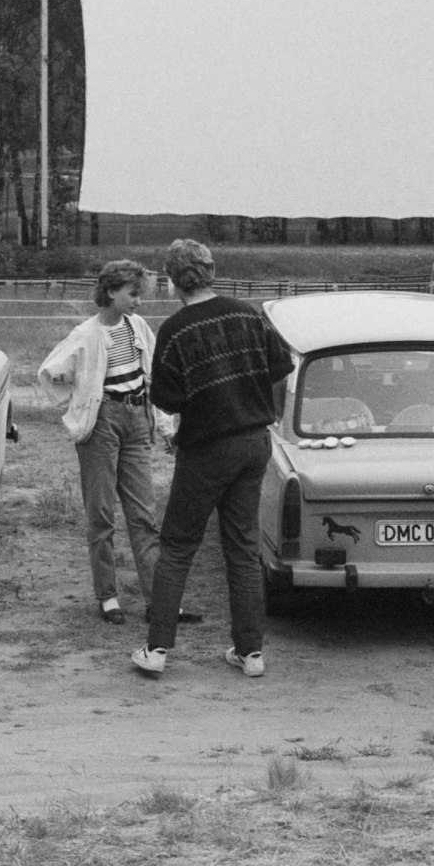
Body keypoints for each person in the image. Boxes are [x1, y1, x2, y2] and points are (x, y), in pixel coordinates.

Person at [133, 239, 293, 679]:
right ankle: (251, 653)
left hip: (205, 449)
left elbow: (165, 398)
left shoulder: (175, 330)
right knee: (242, 549)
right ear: (211, 270)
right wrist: (270, 414)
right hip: (254, 442)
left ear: (172, 279)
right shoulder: (249, 313)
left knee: (179, 545)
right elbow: (282, 370)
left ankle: (158, 649)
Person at [38, 259, 188, 626]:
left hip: (137, 420)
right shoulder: (85, 335)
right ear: (110, 292)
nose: (138, 302)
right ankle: (107, 596)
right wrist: (80, 405)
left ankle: (159, 601)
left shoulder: (137, 328)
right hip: (103, 424)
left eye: (140, 294)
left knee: (144, 515)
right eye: (132, 294)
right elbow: (50, 373)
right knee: (101, 514)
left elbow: (154, 377)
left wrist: (165, 426)